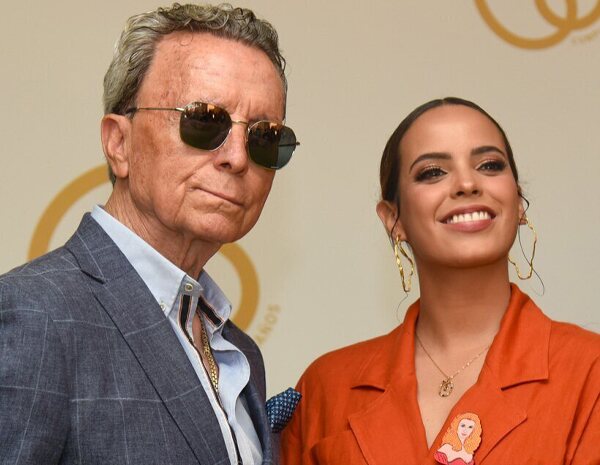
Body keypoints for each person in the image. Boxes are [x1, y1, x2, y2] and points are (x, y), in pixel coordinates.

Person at [0, 3, 298, 464]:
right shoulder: (34, 314)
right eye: (205, 121)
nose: (237, 157)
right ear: (119, 142)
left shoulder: (239, 352)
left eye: (265, 137)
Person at [280, 98, 600, 464]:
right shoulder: (327, 386)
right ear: (393, 219)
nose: (467, 183)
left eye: (490, 165)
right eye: (432, 172)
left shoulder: (589, 371)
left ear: (519, 203)